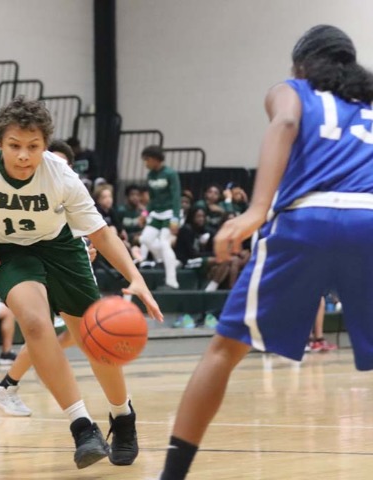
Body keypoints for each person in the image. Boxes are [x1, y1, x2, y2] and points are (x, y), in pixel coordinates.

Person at [159, 25, 373, 479]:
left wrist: (256, 210)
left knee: (224, 351)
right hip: (369, 219)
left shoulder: (292, 89)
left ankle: (171, 476)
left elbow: (287, 122)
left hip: (306, 219)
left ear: (301, 65)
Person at [0, 96, 162, 469]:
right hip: (9, 252)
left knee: (95, 339)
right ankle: (82, 427)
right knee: (35, 323)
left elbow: (101, 234)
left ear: (45, 145)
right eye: (14, 145)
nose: (24, 155)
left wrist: (135, 278)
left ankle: (123, 416)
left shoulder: (62, 176)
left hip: (60, 248)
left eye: (33, 146)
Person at [0, 138, 95, 417]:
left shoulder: (68, 192)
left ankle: (8, 384)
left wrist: (85, 250)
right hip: (32, 270)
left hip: (64, 266)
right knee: (55, 332)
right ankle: (11, 383)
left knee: (70, 333)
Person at [138, 145, 181, 288]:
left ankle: (172, 281)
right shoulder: (150, 175)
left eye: (147, 159)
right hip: (157, 213)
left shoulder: (170, 174)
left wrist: (176, 218)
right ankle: (171, 260)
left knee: (164, 243)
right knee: (145, 239)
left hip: (170, 213)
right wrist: (144, 213)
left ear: (156, 159)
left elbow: (176, 197)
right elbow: (152, 199)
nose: (145, 163)